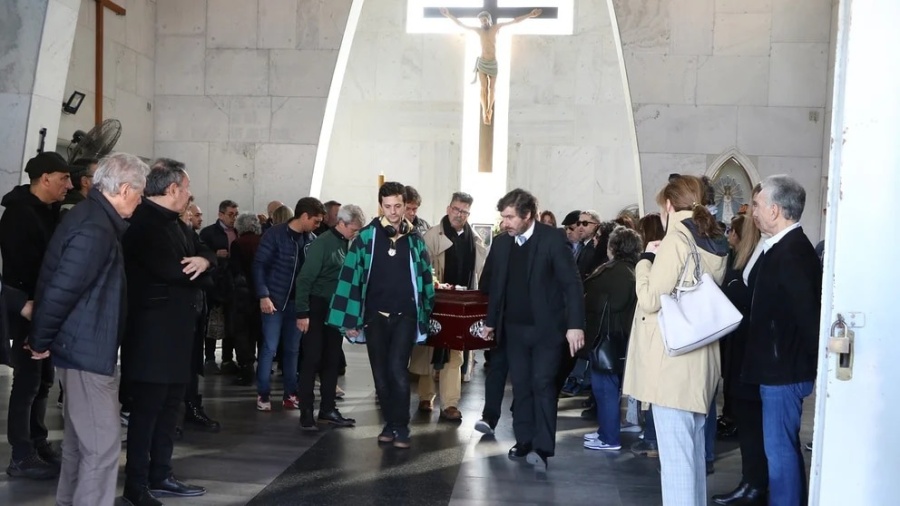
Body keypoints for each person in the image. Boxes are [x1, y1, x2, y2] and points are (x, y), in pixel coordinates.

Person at [28, 153, 148, 505]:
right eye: (139, 194)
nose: (140, 202)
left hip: (81, 347)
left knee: (81, 446)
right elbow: (60, 290)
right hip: (86, 352)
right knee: (103, 449)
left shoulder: (92, 216)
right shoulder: (96, 227)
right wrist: (39, 340)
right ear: (125, 189)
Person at [622, 175, 729, 505]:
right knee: (693, 460)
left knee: (677, 465)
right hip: (701, 362)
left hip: (673, 363)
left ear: (669, 204)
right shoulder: (714, 240)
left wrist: (645, 260)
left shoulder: (677, 238)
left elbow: (651, 298)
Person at [121, 158, 213, 505]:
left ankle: (161, 473)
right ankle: (137, 484)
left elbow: (204, 255)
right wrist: (201, 269)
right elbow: (174, 272)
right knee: (147, 413)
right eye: (187, 188)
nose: (190, 195)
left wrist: (205, 261)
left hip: (176, 334)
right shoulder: (144, 223)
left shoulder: (176, 223)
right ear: (173, 189)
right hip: (151, 337)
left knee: (171, 408)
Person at [479, 188, 585, 472]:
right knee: (521, 386)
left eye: (511, 217)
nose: (505, 223)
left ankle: (542, 447)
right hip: (513, 329)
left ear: (527, 215)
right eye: (503, 218)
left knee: (542, 383)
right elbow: (495, 287)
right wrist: (490, 323)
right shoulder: (502, 243)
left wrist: (575, 325)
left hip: (548, 330)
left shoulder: (552, 240)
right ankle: (524, 440)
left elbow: (571, 285)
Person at [327, 182, 435, 449]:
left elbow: (425, 280)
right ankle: (390, 423)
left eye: (398, 206)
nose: (394, 211)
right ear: (381, 206)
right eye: (388, 206)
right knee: (380, 374)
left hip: (406, 315)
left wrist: (425, 313)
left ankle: (401, 426)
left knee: (398, 370)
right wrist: (349, 320)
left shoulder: (415, 239)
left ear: (404, 204)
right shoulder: (365, 238)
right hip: (375, 316)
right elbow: (350, 278)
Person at [744, 175, 821, 506]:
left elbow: (808, 318)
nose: (753, 212)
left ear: (775, 210)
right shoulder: (783, 247)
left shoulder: (792, 253)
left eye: (758, 205)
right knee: (780, 448)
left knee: (779, 450)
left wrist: (809, 367)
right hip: (779, 365)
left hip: (784, 369)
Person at [1, 151, 72, 479]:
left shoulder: (48, 211)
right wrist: (28, 304)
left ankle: (38, 441)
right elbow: (20, 268)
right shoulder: (18, 215)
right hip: (27, 308)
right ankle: (21, 454)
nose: (68, 186)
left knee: (43, 379)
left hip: (43, 306)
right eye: (63, 179)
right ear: (45, 178)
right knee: (27, 380)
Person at [411, 192, 487, 421]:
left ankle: (450, 404)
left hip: (461, 305)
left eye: (464, 211)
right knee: (429, 349)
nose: (459, 214)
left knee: (455, 352)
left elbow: (482, 270)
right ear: (448, 208)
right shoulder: (432, 236)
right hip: (435, 301)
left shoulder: (474, 239)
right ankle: (426, 396)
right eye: (456, 209)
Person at [295, 204, 366, 430]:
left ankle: (327, 409)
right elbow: (304, 279)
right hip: (316, 306)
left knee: (332, 359)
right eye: (353, 229)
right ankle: (306, 411)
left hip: (336, 309)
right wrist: (302, 312)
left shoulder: (347, 244)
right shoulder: (322, 244)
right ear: (341, 223)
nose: (355, 233)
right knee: (312, 359)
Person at [713, 214, 768, 506]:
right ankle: (751, 482)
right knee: (748, 425)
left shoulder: (751, 265)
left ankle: (754, 484)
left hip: (748, 352)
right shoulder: (742, 262)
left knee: (752, 427)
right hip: (741, 351)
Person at [252, 197, 323, 411]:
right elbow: (259, 266)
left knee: (293, 350)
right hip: (274, 301)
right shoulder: (274, 235)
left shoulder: (311, 239)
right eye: (316, 221)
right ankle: (263, 394)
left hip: (297, 304)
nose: (318, 226)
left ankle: (290, 394)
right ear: (304, 216)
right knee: (269, 348)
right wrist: (264, 295)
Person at [582, 227, 640, 452]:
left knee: (604, 387)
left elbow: (600, 301)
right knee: (609, 387)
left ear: (613, 247)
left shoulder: (612, 272)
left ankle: (609, 437)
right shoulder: (635, 270)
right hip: (624, 337)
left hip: (606, 337)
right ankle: (605, 431)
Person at [440, 7, 542, 125]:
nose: (483, 23)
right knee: (483, 88)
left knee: (492, 89)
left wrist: (529, 15)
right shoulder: (479, 31)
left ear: (489, 20)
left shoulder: (496, 28)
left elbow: (514, 21)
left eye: (484, 20)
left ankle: (490, 108)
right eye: (481, 21)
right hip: (482, 63)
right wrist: (448, 15)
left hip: (492, 63)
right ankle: (485, 110)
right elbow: (461, 24)